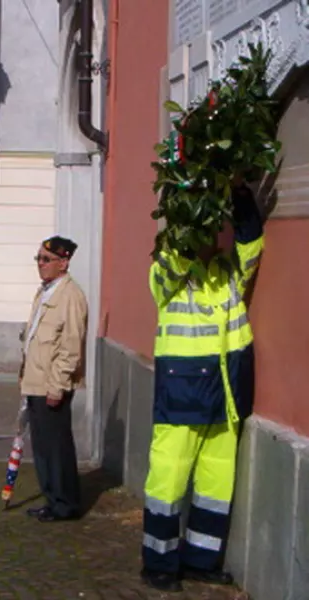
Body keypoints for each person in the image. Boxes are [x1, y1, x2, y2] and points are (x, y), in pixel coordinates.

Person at [141, 183, 264, 593]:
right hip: (182, 398)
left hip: (225, 395)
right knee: (168, 483)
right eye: (205, 229)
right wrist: (189, 214)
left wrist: (240, 196)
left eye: (216, 228)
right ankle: (158, 562)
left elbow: (251, 246)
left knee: (215, 485)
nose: (213, 238)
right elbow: (171, 262)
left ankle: (201, 560)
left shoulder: (230, 273)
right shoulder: (168, 274)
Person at [19, 235, 88, 522]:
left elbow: (71, 346)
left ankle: (65, 503)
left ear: (64, 262)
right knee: (43, 448)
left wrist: (58, 386)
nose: (40, 264)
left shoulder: (70, 296)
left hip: (52, 385)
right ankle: (51, 498)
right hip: (36, 381)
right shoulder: (45, 291)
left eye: (46, 259)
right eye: (38, 258)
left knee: (57, 448)